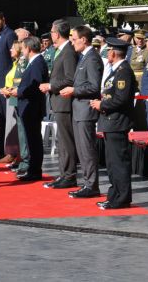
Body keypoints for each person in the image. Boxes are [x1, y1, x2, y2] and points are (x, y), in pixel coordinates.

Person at [90, 37, 137, 210]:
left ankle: (122, 198)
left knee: (119, 162)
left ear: (113, 53)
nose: (107, 53)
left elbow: (121, 99)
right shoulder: (115, 70)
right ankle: (114, 195)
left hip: (117, 121)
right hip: (110, 121)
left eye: (109, 50)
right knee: (112, 162)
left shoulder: (123, 70)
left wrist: (101, 104)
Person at [59, 26, 104, 198]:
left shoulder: (92, 58)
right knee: (82, 149)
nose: (72, 42)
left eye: (74, 39)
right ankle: (88, 183)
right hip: (79, 109)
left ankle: (91, 185)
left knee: (87, 149)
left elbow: (94, 86)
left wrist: (74, 90)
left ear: (84, 39)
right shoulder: (84, 57)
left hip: (85, 109)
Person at [40, 19, 78, 189]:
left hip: (64, 101)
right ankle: (64, 174)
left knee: (66, 140)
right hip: (58, 101)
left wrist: (52, 86)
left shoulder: (68, 51)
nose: (51, 34)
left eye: (52, 32)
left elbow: (70, 78)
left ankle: (69, 175)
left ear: (56, 34)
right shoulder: (61, 50)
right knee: (62, 140)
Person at [11, 36, 49, 181]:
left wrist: (18, 92)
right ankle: (33, 170)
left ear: (28, 48)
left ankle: (34, 170)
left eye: (23, 47)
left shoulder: (37, 62)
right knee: (31, 140)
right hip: (28, 106)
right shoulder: (33, 62)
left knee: (33, 140)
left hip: (32, 107)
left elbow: (34, 86)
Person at [0, 11, 16, 163]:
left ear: (3, 20)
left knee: (7, 120)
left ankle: (10, 152)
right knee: (1, 119)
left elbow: (13, 59)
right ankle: (0, 150)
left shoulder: (9, 35)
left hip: (6, 85)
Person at [0, 41, 26, 167]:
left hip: (16, 97)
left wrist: (8, 90)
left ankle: (19, 156)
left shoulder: (21, 63)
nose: (10, 49)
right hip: (10, 97)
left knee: (17, 129)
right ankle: (13, 154)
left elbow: (19, 82)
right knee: (12, 127)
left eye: (12, 48)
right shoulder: (15, 63)